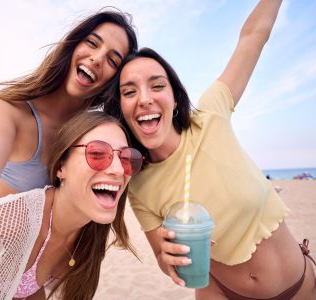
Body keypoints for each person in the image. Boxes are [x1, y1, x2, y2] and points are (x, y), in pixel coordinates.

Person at [104, 1, 316, 299]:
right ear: (122, 109)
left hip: (300, 286)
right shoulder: (139, 185)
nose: (144, 99)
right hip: (220, 292)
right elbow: (165, 263)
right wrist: (170, 258)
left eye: (157, 86)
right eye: (129, 92)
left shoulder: (211, 114)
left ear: (175, 98)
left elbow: (253, 36)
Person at [0, 8, 138, 262]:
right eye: (92, 43)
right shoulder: (9, 111)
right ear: (73, 45)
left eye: (112, 60)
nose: (97, 59)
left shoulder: (94, 138)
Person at [0, 111, 144, 300]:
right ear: (60, 168)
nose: (117, 169)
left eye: (127, 158)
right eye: (97, 153)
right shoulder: (7, 224)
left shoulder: (91, 233)